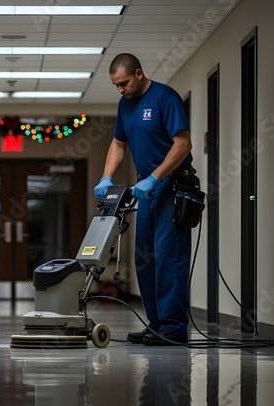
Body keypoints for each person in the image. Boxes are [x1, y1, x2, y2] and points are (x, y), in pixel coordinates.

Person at [94, 53, 194, 346]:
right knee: (144, 259)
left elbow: (183, 143)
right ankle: (156, 324)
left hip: (171, 185)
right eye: (116, 85)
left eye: (123, 83)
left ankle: (174, 327)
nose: (120, 90)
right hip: (146, 188)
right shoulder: (125, 105)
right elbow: (118, 143)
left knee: (168, 257)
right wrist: (106, 177)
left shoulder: (165, 97)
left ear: (139, 73)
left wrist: (156, 177)